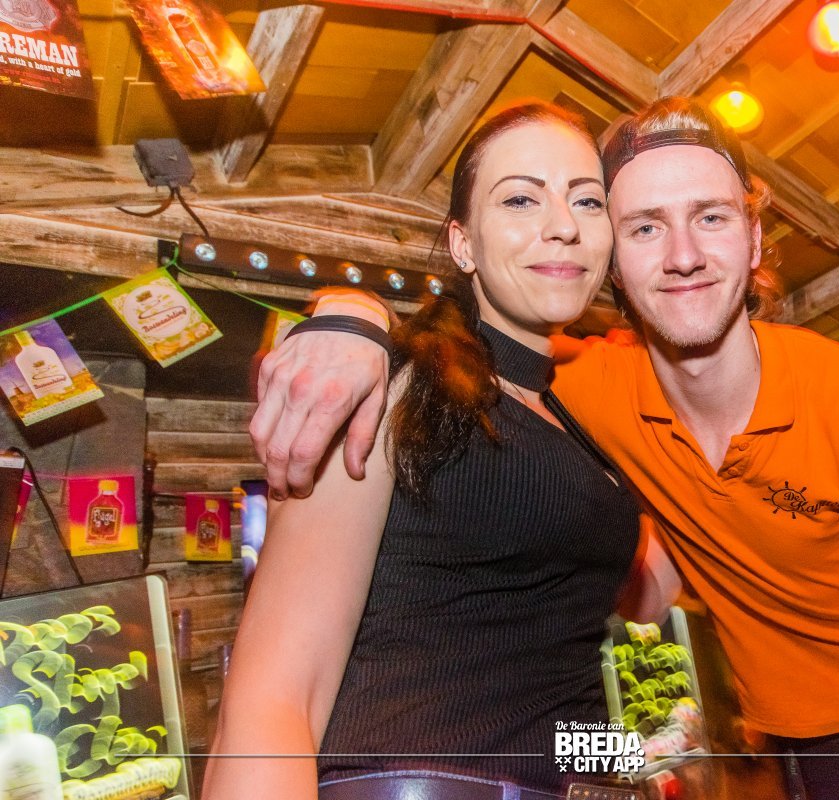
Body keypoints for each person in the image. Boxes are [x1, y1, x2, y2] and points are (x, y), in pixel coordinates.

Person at [250, 97, 839, 800]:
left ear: (754, 239)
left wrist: (634, 754)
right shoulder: (495, 391)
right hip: (756, 745)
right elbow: (282, 690)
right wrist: (351, 315)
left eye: (711, 217)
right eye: (645, 225)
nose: (682, 255)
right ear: (616, 256)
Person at [205, 102, 660, 800]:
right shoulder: (395, 384)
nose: (563, 225)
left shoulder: (576, 417)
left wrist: (646, 762)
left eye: (586, 201)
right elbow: (276, 696)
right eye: (520, 199)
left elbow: (609, 626)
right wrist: (353, 314)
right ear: (462, 244)